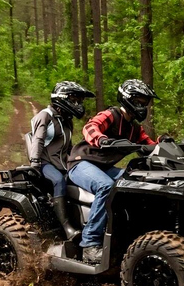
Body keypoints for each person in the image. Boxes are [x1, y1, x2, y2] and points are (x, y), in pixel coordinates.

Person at [67, 79, 160, 263]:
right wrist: (101, 139)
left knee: (136, 181)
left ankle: (127, 235)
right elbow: (90, 127)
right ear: (128, 99)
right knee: (106, 187)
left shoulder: (134, 128)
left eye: (145, 103)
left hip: (104, 167)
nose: (143, 107)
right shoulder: (111, 114)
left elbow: (150, 146)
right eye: (139, 102)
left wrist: (167, 144)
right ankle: (89, 244)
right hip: (81, 163)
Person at [28, 81, 94, 240]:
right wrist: (35, 163)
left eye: (79, 101)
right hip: (44, 162)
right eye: (74, 100)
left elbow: (68, 145)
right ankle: (67, 227)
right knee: (58, 181)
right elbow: (38, 139)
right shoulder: (45, 115)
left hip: (62, 163)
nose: (78, 104)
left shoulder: (66, 120)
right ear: (62, 98)